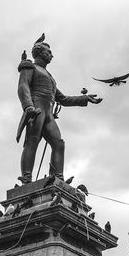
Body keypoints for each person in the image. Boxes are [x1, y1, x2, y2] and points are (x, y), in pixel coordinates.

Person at [17, 35, 102, 184]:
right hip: (36, 109)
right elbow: (23, 87)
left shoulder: (50, 78)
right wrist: (28, 106)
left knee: (59, 143)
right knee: (32, 141)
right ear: (39, 52)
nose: (52, 55)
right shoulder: (29, 66)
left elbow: (63, 99)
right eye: (48, 52)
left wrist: (84, 98)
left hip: (48, 114)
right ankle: (26, 179)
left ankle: (58, 178)